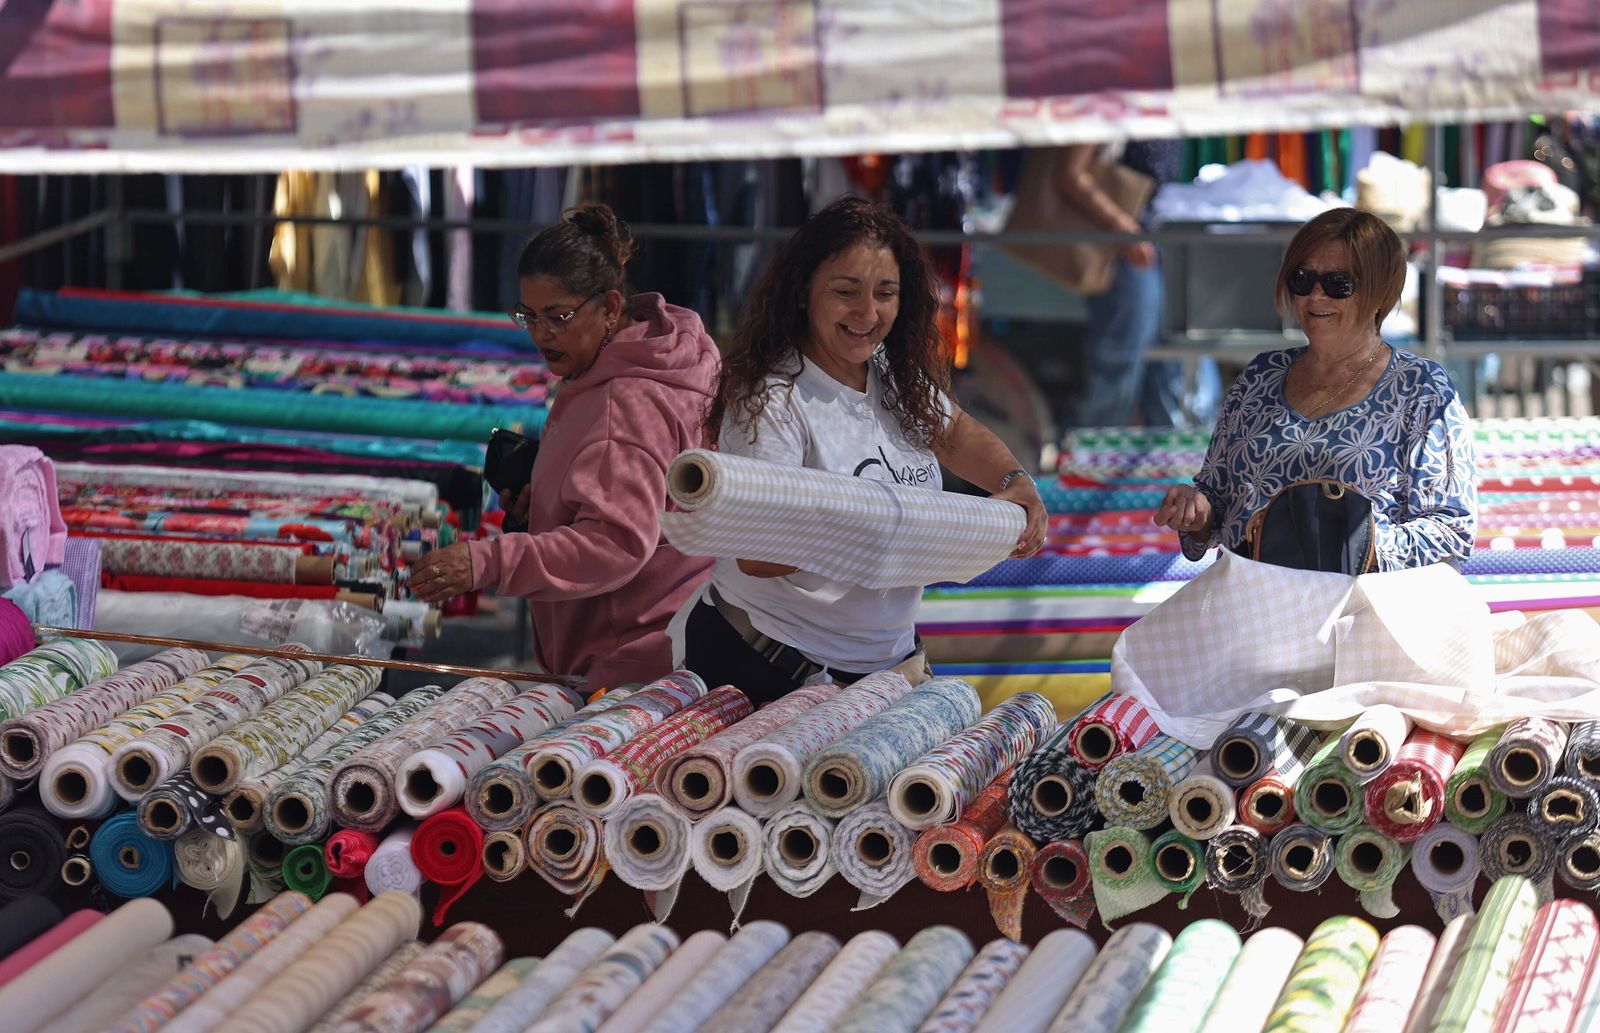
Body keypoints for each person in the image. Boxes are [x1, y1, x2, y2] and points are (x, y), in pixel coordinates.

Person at [673, 197, 1048, 704]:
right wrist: (900, 529)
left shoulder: (891, 373)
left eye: (885, 293)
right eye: (845, 291)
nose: (867, 313)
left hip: (888, 668)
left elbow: (954, 432)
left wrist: (1015, 482)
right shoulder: (770, 400)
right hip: (770, 666)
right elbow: (759, 555)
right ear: (803, 293)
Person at [413, 204, 719, 687]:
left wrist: (488, 561)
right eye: (529, 316)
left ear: (611, 308)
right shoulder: (653, 356)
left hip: (631, 658)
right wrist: (546, 507)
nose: (541, 334)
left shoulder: (625, 403)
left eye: (558, 317)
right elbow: (640, 499)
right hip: (669, 630)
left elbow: (615, 543)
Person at [1154, 207, 1477, 570]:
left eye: (1338, 284)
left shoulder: (1421, 388)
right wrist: (1196, 512)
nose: (1316, 296)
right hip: (1254, 594)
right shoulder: (1259, 376)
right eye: (1302, 280)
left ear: (1380, 291)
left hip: (1358, 598)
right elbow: (1216, 497)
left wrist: (1348, 543)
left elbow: (1451, 531)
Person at [1054, 140, 1220, 429]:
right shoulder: (1112, 112)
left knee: (1175, 357)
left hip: (1159, 242)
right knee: (1122, 355)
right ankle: (1094, 443)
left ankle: (1172, 445)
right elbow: (1070, 173)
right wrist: (1124, 230)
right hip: (1123, 247)